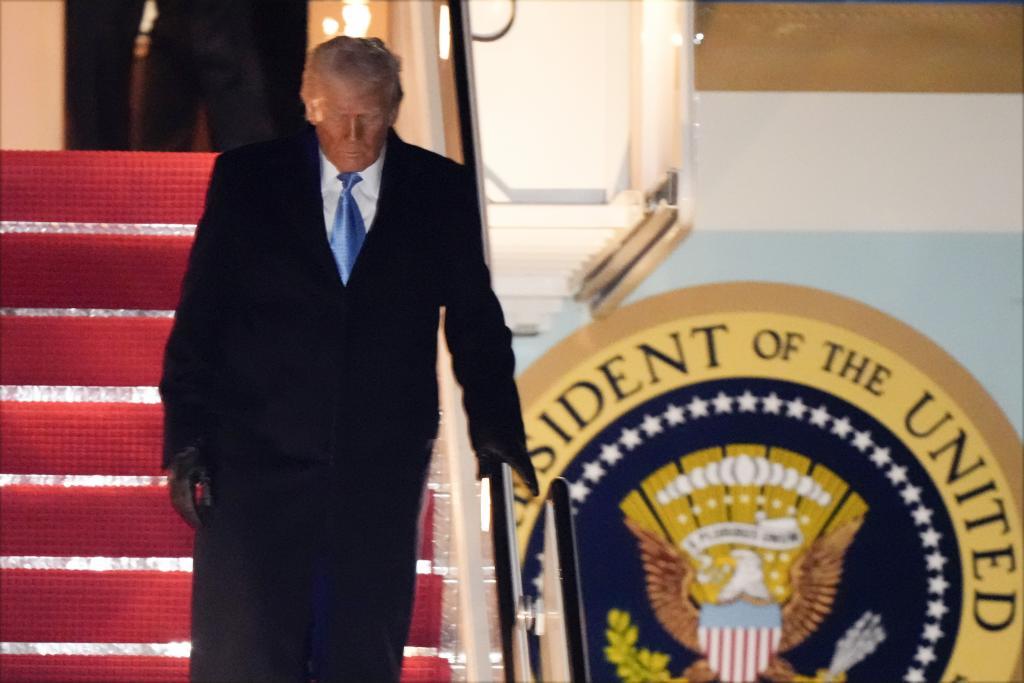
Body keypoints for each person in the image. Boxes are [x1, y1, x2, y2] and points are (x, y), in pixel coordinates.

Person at [160, 36, 539, 682]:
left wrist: (497, 431)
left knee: (361, 651)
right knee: (247, 653)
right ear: (309, 105)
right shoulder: (248, 181)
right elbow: (202, 319)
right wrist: (186, 437)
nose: (356, 131)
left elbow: (477, 323)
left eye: (371, 113)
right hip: (255, 465)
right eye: (339, 114)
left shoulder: (438, 192)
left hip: (377, 472)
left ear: (395, 105)